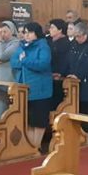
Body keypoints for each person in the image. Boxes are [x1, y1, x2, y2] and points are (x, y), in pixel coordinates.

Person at [11, 22, 53, 151]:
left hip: (39, 88)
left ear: (37, 33)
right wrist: (23, 61)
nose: (26, 35)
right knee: (28, 119)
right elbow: (14, 62)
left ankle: (36, 145)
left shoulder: (43, 46)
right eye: (25, 32)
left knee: (38, 119)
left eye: (29, 32)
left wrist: (24, 61)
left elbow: (42, 64)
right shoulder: (22, 46)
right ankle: (30, 146)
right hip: (24, 88)